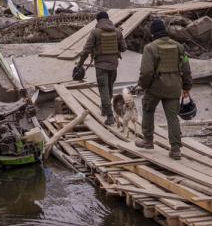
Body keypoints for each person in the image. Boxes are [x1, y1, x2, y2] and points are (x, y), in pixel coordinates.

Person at [135, 19, 191, 160]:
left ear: (153, 33)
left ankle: (148, 141)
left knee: (148, 109)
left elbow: (146, 72)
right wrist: (186, 86)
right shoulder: (179, 47)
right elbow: (186, 68)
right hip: (174, 87)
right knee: (172, 117)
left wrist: (143, 85)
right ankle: (176, 149)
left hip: (155, 88)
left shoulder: (150, 48)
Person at [76, 11, 126, 125]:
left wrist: (79, 65)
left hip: (100, 66)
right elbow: (124, 48)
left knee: (103, 90)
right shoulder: (117, 32)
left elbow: (86, 50)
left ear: (98, 21)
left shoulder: (95, 32)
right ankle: (105, 110)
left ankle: (110, 116)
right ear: (108, 19)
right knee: (109, 88)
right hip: (113, 65)